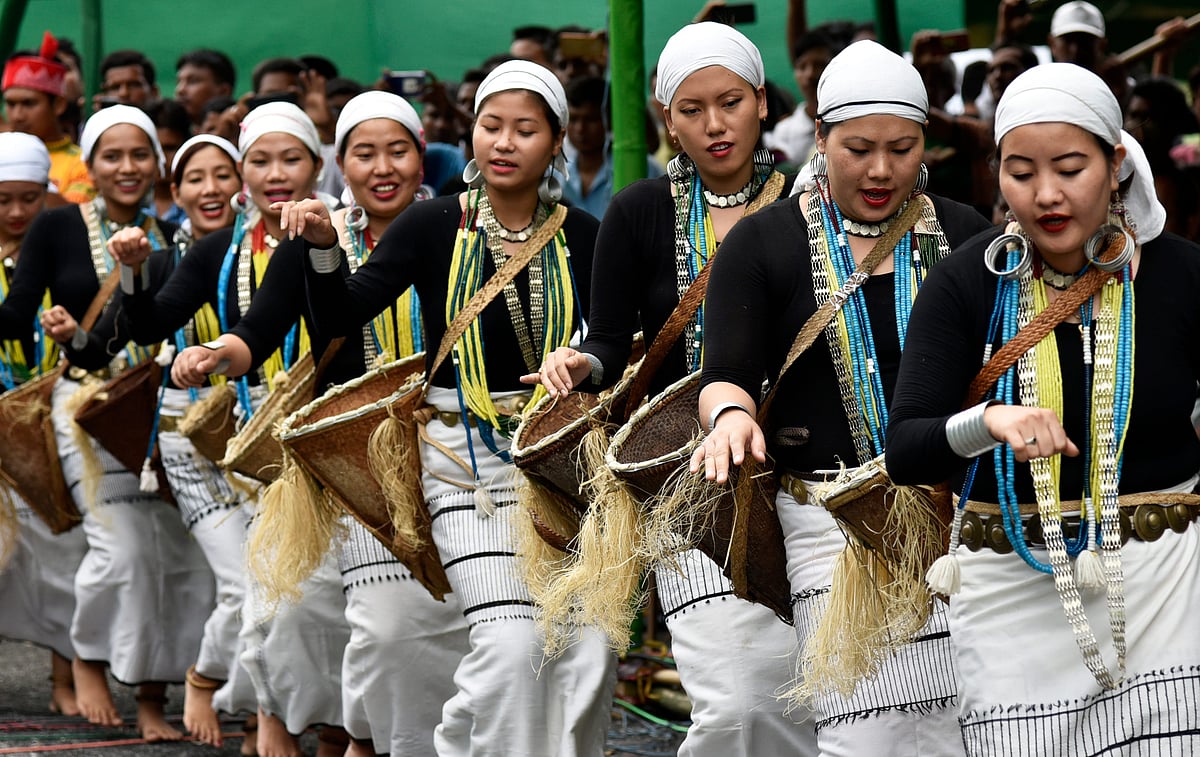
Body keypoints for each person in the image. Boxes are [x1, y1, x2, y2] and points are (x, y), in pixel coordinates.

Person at [292, 59, 616, 756]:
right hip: (462, 463)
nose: (503, 142)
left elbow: (621, 336)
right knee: (510, 641)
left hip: (561, 466)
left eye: (524, 129)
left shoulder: (587, 235)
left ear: (556, 140)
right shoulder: (432, 224)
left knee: (587, 651)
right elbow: (342, 315)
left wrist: (585, 358)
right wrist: (322, 250)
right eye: (490, 125)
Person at [886, 62, 1200, 756]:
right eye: (1021, 172)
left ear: (1115, 163)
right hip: (1010, 593)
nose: (1047, 195)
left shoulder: (1183, 275)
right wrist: (989, 422)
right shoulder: (967, 280)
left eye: (1069, 167)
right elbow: (906, 447)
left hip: (1164, 591)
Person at [690, 40, 991, 755]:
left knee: (963, 728)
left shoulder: (966, 235)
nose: (882, 169)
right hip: (828, 524)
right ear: (819, 137)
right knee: (865, 729)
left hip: (954, 523)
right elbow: (724, 370)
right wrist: (729, 417)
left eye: (903, 146)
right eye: (857, 147)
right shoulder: (766, 242)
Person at [526, 21, 816, 757]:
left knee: (808, 682)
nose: (714, 125)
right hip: (684, 476)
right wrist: (580, 364)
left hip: (804, 475)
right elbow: (607, 337)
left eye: (729, 103)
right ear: (667, 120)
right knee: (739, 692)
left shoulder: (814, 205)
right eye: (692, 110)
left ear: (761, 100)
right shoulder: (639, 211)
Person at [172, 90, 470, 757]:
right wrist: (218, 354)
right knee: (358, 619)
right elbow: (259, 329)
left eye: (398, 149)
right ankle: (354, 731)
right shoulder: (316, 235)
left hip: (449, 454)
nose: (383, 166)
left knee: (439, 619)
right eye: (365, 153)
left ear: (423, 154)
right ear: (342, 163)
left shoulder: (461, 229)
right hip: (346, 462)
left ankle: (386, 736)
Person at [108, 102, 346, 757]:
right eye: (259, 162)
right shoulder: (220, 249)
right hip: (220, 445)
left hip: (315, 442)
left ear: (319, 163)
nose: (275, 174)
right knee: (256, 582)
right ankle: (240, 694)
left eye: (290, 158)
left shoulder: (344, 236)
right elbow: (149, 326)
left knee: (316, 591)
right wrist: (131, 270)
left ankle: (332, 722)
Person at [9, 104, 213, 742]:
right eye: (111, 156)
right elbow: (16, 313)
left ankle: (152, 696)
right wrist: (64, 333)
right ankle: (88, 659)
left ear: (157, 164)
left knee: (176, 560)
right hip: (85, 411)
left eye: (139, 155)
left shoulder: (178, 237)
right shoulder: (57, 227)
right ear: (88, 166)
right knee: (120, 551)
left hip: (159, 413)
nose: (126, 168)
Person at [0, 131, 89, 720]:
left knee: (66, 552)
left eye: (28, 198)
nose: (14, 212)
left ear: (47, 194)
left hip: (52, 418)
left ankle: (66, 676)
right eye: (1, 199)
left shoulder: (68, 250)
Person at [2, 33, 94, 202]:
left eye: (28, 103)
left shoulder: (82, 165)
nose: (17, 115)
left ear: (58, 105)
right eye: (11, 104)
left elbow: (71, 217)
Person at [561, 75, 664, 220]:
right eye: (573, 119)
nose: (580, 129)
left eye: (591, 119)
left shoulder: (643, 167)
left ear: (609, 120)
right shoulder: (556, 173)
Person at [765, 30, 836, 166]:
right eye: (802, 66)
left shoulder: (846, 124)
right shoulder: (782, 132)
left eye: (820, 65)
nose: (810, 74)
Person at [175, 49, 236, 126]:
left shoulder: (248, 133)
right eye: (178, 82)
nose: (180, 90)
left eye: (193, 81)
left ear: (224, 91)